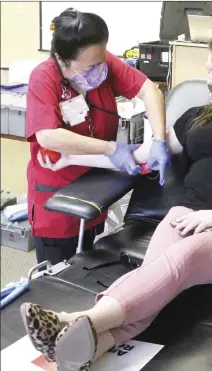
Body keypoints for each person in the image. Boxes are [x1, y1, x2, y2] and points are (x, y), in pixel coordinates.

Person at [21, 32, 212, 370]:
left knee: (181, 259)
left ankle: (77, 319)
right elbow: (140, 155)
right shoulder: (198, 119)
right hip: (186, 215)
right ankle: (89, 348)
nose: (209, 79)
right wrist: (72, 159)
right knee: (155, 280)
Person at [26, 8, 169, 266]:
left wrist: (159, 139)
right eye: (92, 65)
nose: (101, 68)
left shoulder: (103, 63)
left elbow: (150, 90)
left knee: (91, 264)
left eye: (103, 59)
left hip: (98, 186)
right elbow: (47, 136)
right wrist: (110, 148)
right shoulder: (44, 78)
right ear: (63, 59)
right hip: (59, 194)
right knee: (58, 275)